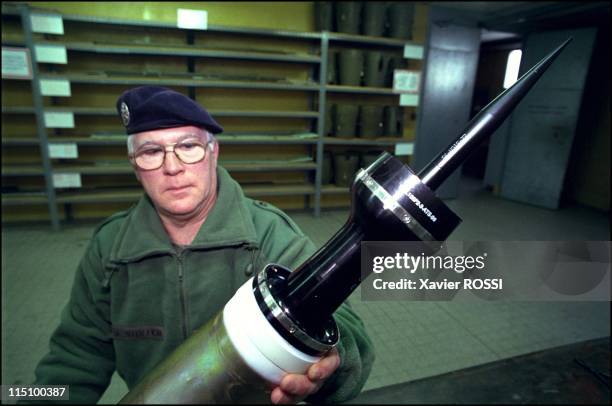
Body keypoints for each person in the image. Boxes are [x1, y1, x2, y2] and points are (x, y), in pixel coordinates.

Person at [30, 86, 374, 404]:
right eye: (151, 152)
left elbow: (349, 334)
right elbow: (73, 358)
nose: (173, 167)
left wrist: (330, 357)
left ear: (213, 152)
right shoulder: (110, 250)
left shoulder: (267, 234)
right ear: (135, 167)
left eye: (188, 147)